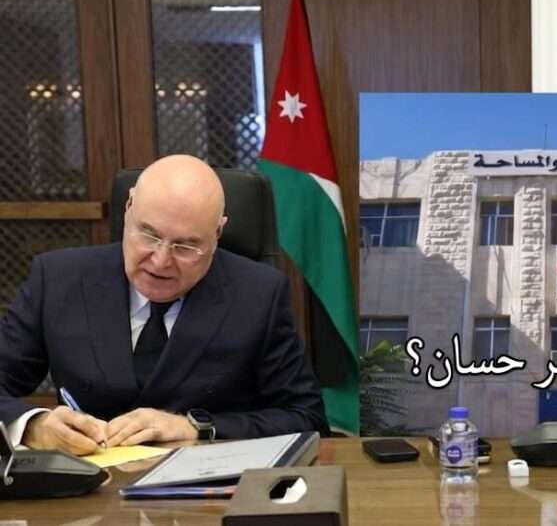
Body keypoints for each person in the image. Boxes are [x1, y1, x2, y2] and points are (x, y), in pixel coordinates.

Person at [0, 155, 328, 455]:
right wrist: (33, 426)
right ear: (129, 207)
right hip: (87, 487)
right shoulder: (58, 280)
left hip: (207, 489)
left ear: (217, 233)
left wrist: (196, 428)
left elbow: (306, 418)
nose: (160, 261)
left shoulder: (258, 295)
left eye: (185, 246)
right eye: (149, 234)